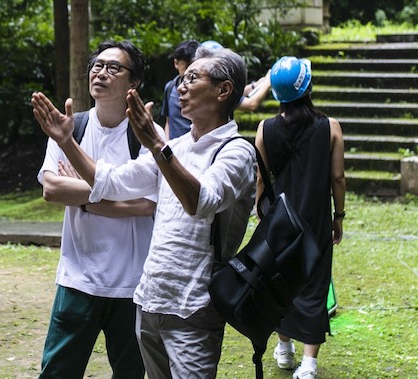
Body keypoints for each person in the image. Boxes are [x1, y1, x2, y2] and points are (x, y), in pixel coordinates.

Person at [31, 47, 256, 379]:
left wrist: (155, 145)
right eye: (181, 78)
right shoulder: (176, 146)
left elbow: (200, 201)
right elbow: (114, 182)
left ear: (223, 90)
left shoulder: (235, 152)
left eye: (192, 78)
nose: (180, 86)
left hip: (192, 304)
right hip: (150, 300)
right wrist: (67, 143)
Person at [36, 39, 159, 379]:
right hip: (77, 278)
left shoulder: (148, 134)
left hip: (131, 284)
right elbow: (51, 189)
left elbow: (146, 204)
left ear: (133, 83)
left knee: (131, 372)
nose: (101, 73)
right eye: (97, 66)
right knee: (58, 371)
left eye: (113, 67)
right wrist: (113, 199)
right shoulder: (69, 128)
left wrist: (82, 196)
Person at [253, 56, 345, 379]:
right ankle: (308, 364)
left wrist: (260, 213)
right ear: (308, 87)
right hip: (316, 218)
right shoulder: (330, 127)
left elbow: (262, 179)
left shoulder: (264, 129)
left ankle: (284, 348)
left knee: (279, 281)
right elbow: (337, 178)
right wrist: (339, 216)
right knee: (315, 283)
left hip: (279, 220)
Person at [158, 39, 198, 140]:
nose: (190, 71)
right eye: (187, 66)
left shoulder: (202, 90)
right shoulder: (170, 88)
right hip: (174, 149)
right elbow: (168, 121)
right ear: (176, 63)